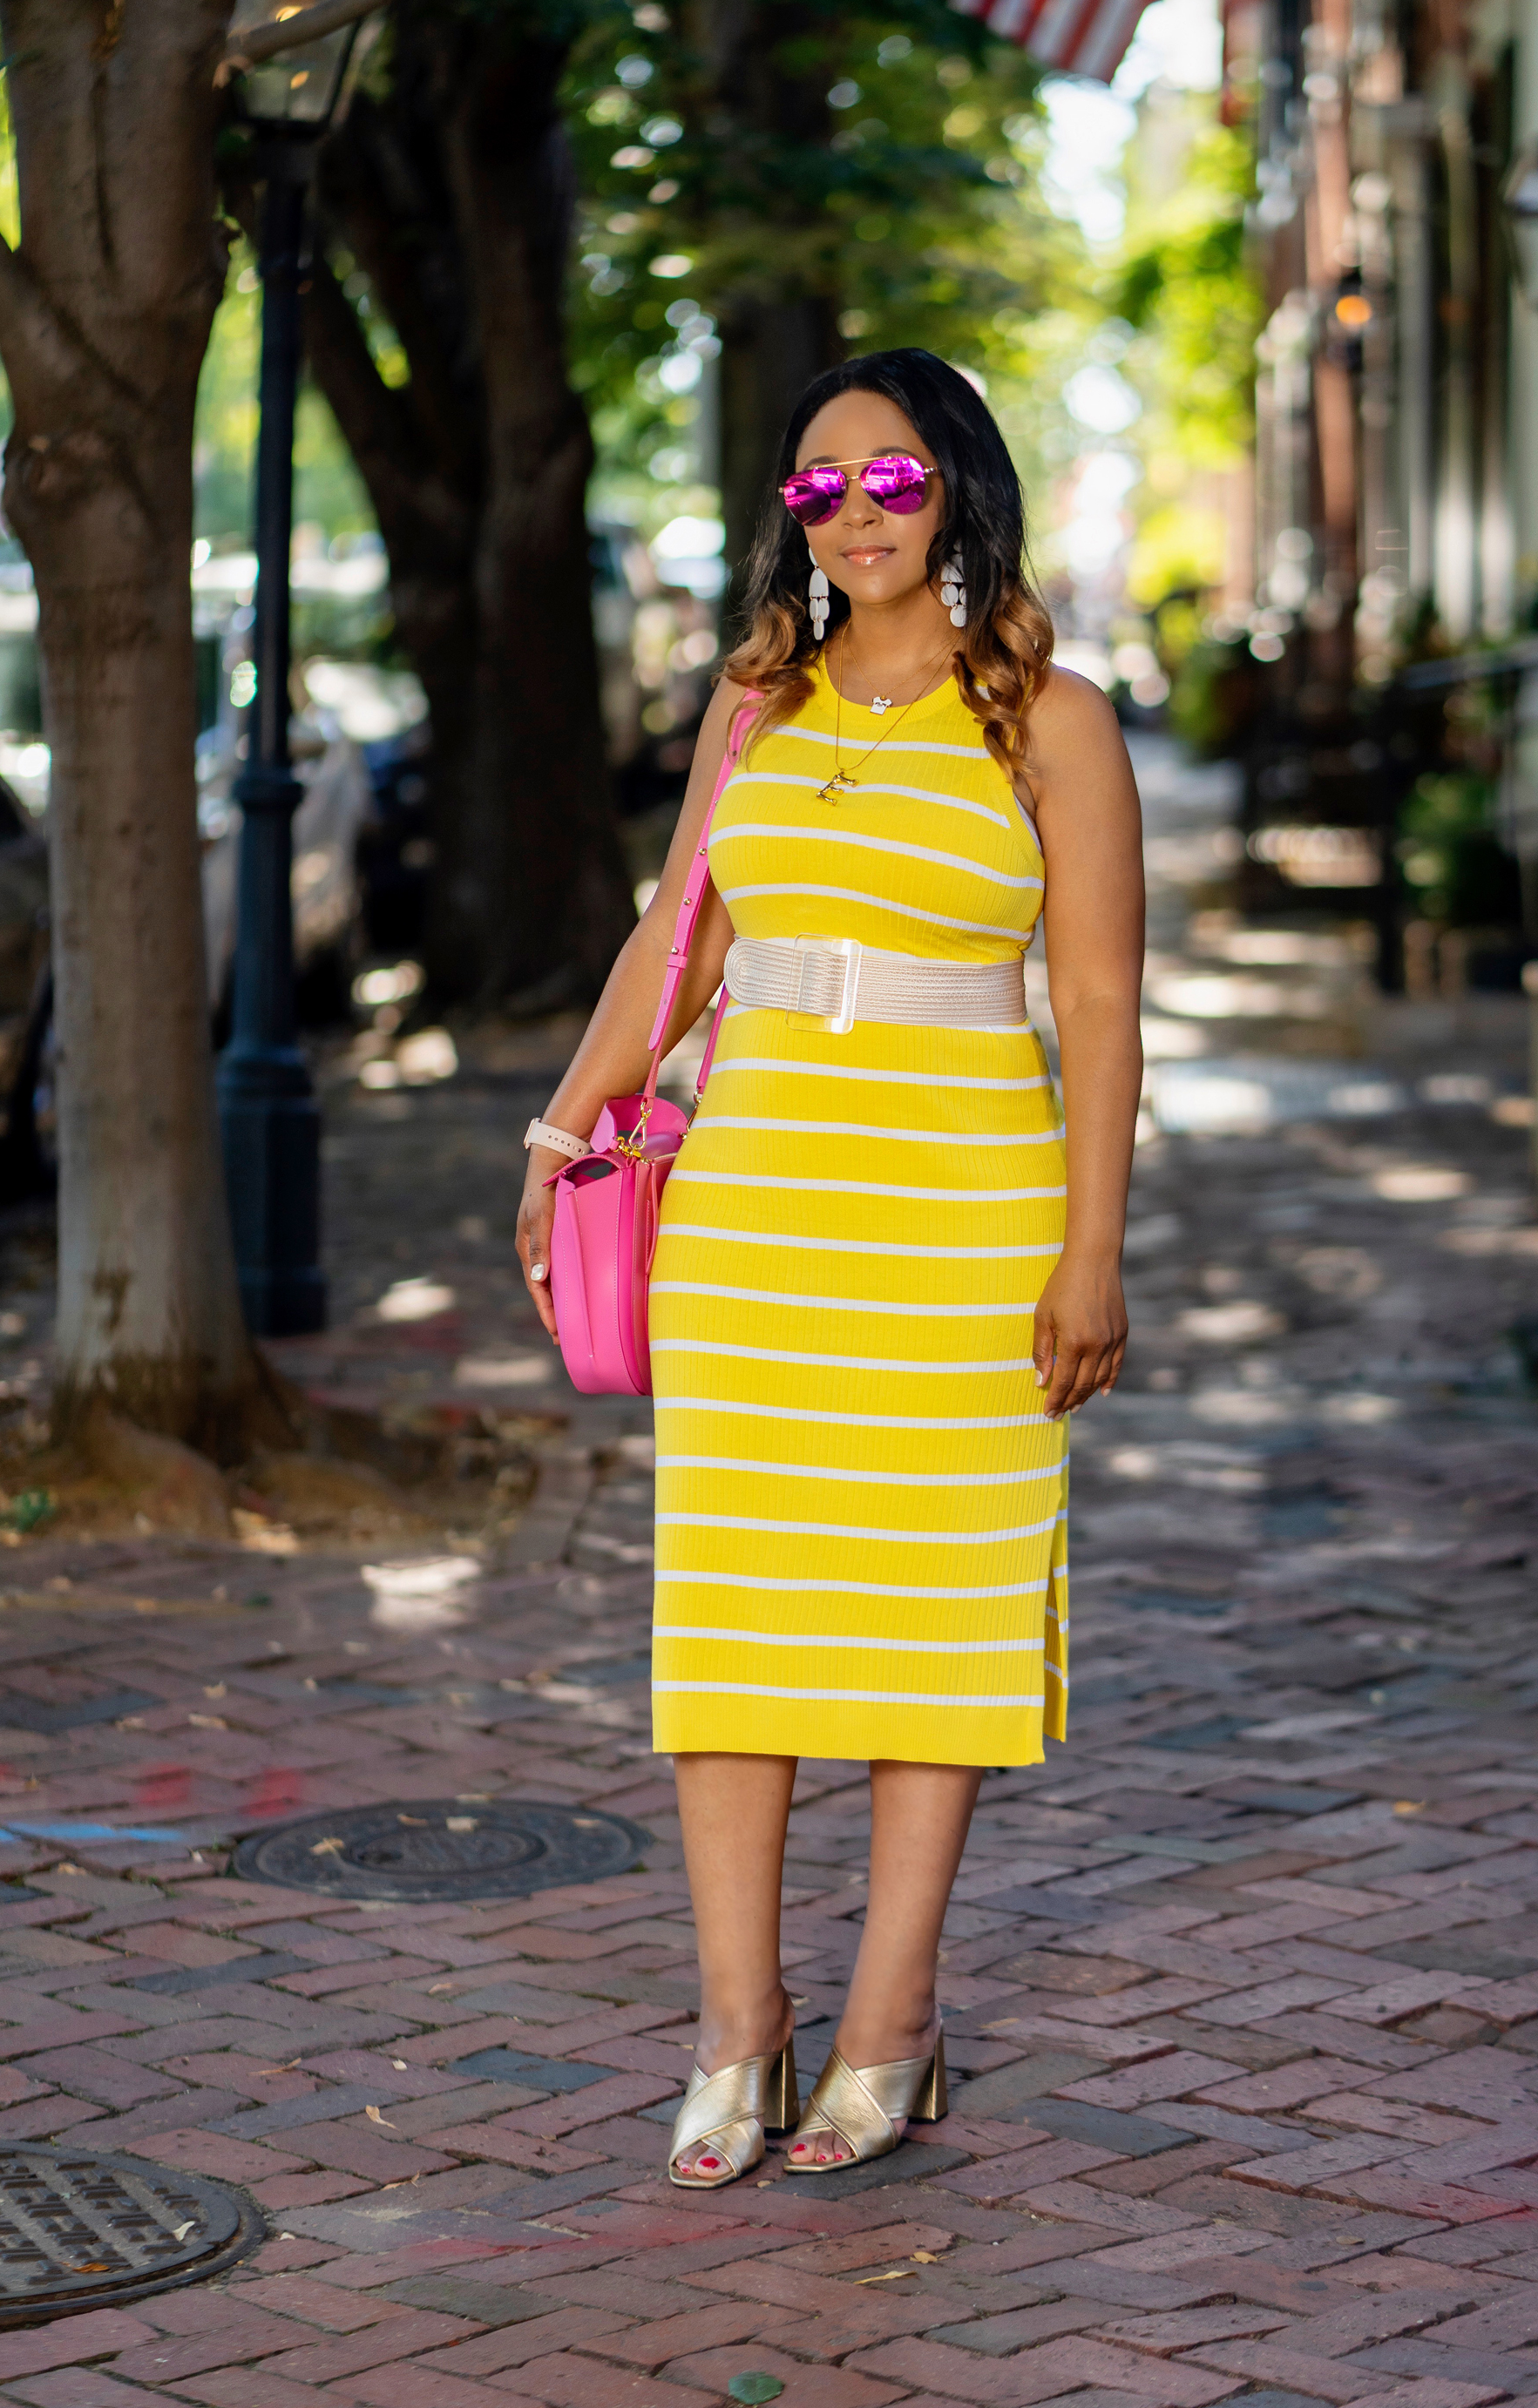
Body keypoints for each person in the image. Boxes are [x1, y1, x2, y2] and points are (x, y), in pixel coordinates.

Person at [516, 348, 1143, 2184]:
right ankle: (738, 2028)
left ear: (953, 486)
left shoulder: (1050, 715)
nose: (854, 510)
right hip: (755, 1220)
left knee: (926, 1627)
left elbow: (1100, 1008)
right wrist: (563, 1139)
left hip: (964, 1223)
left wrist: (1091, 1254)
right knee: (739, 1632)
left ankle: (888, 2023)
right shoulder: (752, 703)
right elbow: (677, 947)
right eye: (815, 485)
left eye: (890, 476)